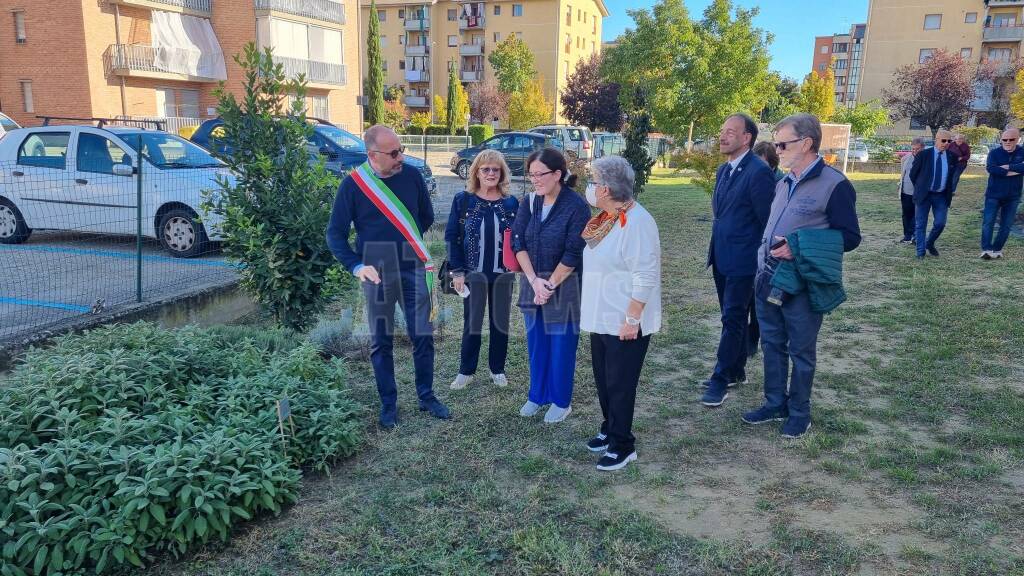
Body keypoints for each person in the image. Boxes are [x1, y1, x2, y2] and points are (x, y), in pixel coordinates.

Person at [742, 113, 861, 438]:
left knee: (801, 351)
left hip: (803, 284)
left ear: (806, 143)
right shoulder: (783, 182)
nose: (776, 149)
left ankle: (799, 412)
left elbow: (850, 237)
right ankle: (775, 402)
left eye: (783, 143)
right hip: (768, 278)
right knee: (772, 343)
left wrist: (798, 246)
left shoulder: (835, 184)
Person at [326, 125, 449, 429]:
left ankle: (426, 396)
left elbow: (426, 216)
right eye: (394, 153)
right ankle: (389, 404)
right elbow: (335, 234)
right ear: (372, 155)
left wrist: (404, 243)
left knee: (423, 334)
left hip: (413, 266)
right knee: (381, 341)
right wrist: (357, 266)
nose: (401, 157)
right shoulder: (353, 186)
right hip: (376, 272)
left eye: (402, 149)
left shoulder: (411, 176)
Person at [580, 156, 662, 471]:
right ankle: (609, 426)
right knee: (604, 379)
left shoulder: (638, 222)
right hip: (602, 315)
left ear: (606, 188)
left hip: (625, 320)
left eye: (593, 181)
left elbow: (645, 274)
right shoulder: (607, 217)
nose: (589, 187)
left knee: (620, 382)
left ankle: (623, 445)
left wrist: (632, 319)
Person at [700, 114, 776, 408]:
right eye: (722, 131)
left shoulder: (758, 172)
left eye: (731, 132)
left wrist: (759, 257)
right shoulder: (723, 170)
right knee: (732, 317)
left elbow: (766, 220)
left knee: (732, 317)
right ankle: (737, 369)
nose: (723, 136)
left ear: (747, 138)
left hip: (744, 260)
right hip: (721, 255)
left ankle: (721, 378)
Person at [511, 148, 590, 424]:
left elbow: (573, 251)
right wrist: (534, 281)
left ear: (557, 174)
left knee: (561, 346)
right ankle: (538, 395)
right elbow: (517, 242)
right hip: (532, 284)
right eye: (531, 174)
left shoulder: (576, 206)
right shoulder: (528, 202)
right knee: (537, 344)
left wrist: (550, 285)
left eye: (540, 174)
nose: (535, 180)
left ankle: (560, 400)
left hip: (564, 287)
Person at [444, 150, 519, 389]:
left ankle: (497, 369)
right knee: (472, 323)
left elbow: (518, 238)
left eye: (495, 169)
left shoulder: (511, 203)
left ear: (502, 173)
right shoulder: (463, 200)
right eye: (485, 169)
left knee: (500, 323)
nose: (490, 173)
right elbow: (452, 237)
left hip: (502, 275)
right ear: (476, 171)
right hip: (472, 274)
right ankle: (466, 371)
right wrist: (457, 272)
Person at [910, 129, 958, 258]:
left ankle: (929, 243)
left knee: (940, 223)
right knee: (921, 224)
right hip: (924, 195)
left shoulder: (952, 157)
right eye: (943, 140)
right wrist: (921, 187)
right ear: (936, 140)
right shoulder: (924, 155)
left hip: (941, 195)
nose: (946, 143)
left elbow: (951, 177)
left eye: (949, 141)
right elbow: (913, 174)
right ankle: (920, 252)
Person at [981, 127, 1024, 259]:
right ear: (1001, 140)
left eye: (1011, 139)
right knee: (988, 222)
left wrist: (1008, 167)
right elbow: (991, 169)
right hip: (993, 194)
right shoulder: (994, 153)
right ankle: (987, 249)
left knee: (1006, 225)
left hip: (1013, 196)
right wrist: (1017, 169)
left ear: (1018, 139)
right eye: (1005, 140)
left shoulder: (1022, 152)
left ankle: (997, 249)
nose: (1008, 142)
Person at [898, 138, 925, 243]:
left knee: (917, 215)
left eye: (917, 149)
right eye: (913, 149)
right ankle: (907, 236)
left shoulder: (926, 159)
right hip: (905, 191)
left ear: (923, 148)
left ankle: (915, 235)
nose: (915, 151)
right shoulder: (906, 158)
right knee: (906, 214)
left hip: (919, 192)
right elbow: (903, 174)